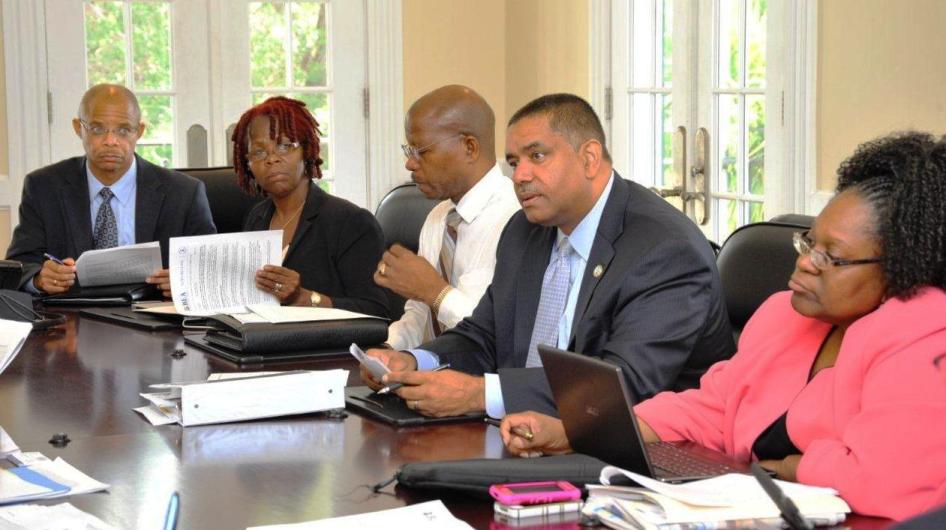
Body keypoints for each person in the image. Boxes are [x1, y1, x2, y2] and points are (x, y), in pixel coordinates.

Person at [500, 131, 946, 521]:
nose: (806, 263)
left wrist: (796, 466)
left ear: (901, 267)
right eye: (809, 242)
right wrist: (578, 431)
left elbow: (886, 483)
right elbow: (713, 407)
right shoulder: (784, 314)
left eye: (832, 257)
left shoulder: (924, 329)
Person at [363, 93, 734, 418]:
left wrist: (479, 394)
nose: (521, 175)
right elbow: (484, 336)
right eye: (513, 162)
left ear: (589, 158)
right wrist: (415, 361)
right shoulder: (525, 231)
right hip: (527, 434)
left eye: (536, 156)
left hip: (643, 456)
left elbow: (622, 384)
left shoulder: (664, 249)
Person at [5, 84, 215, 296]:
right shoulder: (44, 187)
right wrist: (39, 278)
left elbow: (211, 267)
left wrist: (186, 280)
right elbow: (20, 264)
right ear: (78, 128)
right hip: (69, 319)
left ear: (139, 131)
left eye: (123, 130)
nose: (110, 141)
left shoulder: (184, 192)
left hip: (155, 321)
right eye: (97, 129)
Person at [375, 85, 519, 350]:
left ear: (469, 147)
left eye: (422, 151)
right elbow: (420, 315)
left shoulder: (517, 219)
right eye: (409, 151)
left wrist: (435, 292)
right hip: (424, 376)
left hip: (481, 383)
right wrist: (390, 351)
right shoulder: (437, 217)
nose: (410, 163)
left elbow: (499, 336)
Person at [232, 96, 388, 316]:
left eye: (285, 146)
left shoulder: (351, 222)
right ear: (248, 165)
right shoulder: (256, 217)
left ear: (306, 152)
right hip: (264, 342)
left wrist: (304, 298)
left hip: (326, 347)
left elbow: (376, 311)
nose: (272, 159)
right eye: (259, 152)